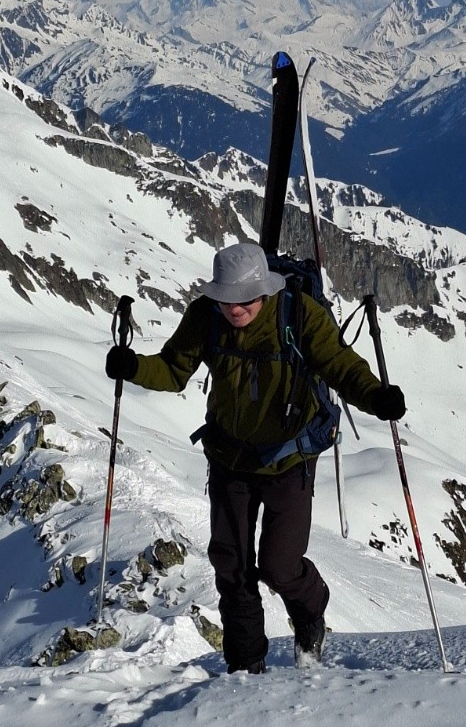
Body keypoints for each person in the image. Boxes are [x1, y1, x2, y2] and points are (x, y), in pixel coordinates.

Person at [106, 241, 405, 673]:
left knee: (280, 567)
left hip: (289, 458)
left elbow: (340, 365)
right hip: (230, 457)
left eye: (244, 299)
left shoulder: (298, 314)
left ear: (265, 290)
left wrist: (378, 398)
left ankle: (310, 612)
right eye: (226, 299)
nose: (234, 309)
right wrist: (132, 367)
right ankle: (245, 668)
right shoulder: (206, 316)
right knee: (232, 566)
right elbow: (173, 369)